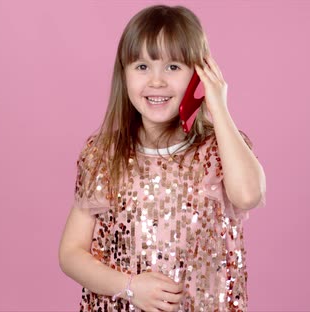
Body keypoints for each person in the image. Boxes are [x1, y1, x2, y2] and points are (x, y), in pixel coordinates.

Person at [58, 4, 266, 311]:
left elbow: (248, 195)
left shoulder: (218, 149)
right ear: (124, 74)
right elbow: (71, 253)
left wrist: (218, 106)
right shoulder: (105, 154)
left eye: (173, 67)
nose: (157, 81)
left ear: (200, 74)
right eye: (142, 67)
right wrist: (129, 287)